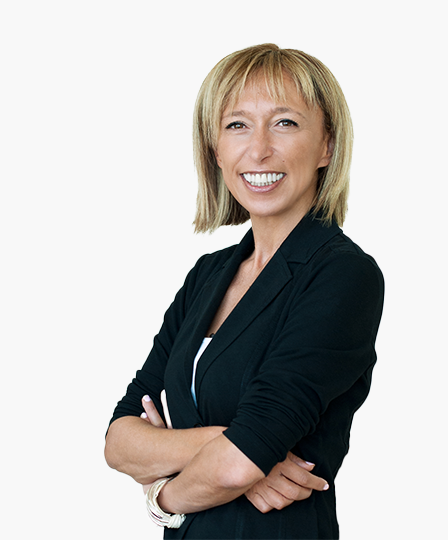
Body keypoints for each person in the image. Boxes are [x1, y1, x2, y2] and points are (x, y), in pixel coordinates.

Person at [105, 43, 384, 539]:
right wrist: (226, 442)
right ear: (215, 149)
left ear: (327, 146)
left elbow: (237, 467)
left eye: (285, 123)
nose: (258, 150)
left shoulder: (342, 276)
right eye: (237, 125)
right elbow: (119, 440)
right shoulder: (208, 275)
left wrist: (162, 495)